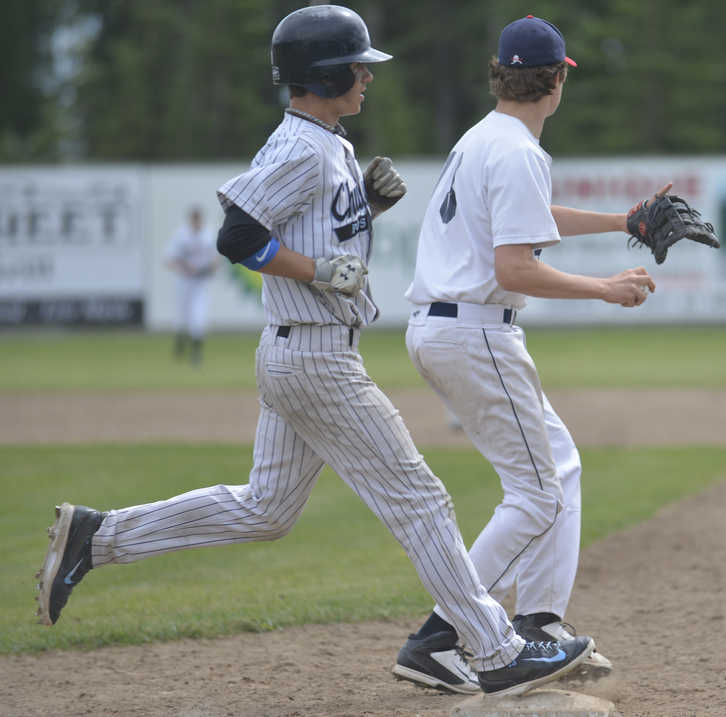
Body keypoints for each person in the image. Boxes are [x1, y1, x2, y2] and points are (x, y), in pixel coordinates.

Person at [34, 5, 594, 699]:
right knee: (423, 500)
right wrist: (315, 271)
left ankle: (99, 535)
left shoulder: (327, 141)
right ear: (324, 72)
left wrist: (363, 207)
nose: (367, 76)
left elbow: (309, 230)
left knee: (265, 509)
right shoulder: (302, 145)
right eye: (357, 66)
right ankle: (495, 646)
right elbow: (238, 237)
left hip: (300, 352)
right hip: (317, 357)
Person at [391, 15, 662, 693]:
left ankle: (538, 622)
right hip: (476, 329)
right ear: (557, 81)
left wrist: (623, 221)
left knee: (557, 467)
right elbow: (515, 267)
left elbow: (532, 216)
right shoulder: (517, 151)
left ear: (499, 74)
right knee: (537, 492)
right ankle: (441, 635)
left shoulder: (485, 139)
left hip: (449, 324)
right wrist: (605, 288)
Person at [164, 206, 219, 365]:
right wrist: (184, 268)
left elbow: (216, 259)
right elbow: (169, 259)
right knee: (182, 315)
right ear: (190, 220)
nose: (196, 222)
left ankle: (196, 352)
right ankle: (180, 345)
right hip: (184, 281)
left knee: (199, 315)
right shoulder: (181, 235)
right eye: (194, 219)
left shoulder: (208, 235)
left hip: (201, 281)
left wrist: (207, 269)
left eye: (198, 219)